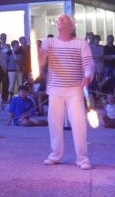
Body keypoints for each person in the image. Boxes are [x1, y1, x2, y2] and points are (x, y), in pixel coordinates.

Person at [39, 15, 94, 170]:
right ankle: (55, 155)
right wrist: (38, 55)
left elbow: (89, 63)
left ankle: (82, 158)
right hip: (55, 89)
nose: (59, 20)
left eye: (63, 18)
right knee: (54, 123)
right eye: (58, 19)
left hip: (75, 89)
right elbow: (41, 63)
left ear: (72, 26)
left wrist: (88, 75)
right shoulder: (48, 42)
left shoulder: (81, 43)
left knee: (79, 124)